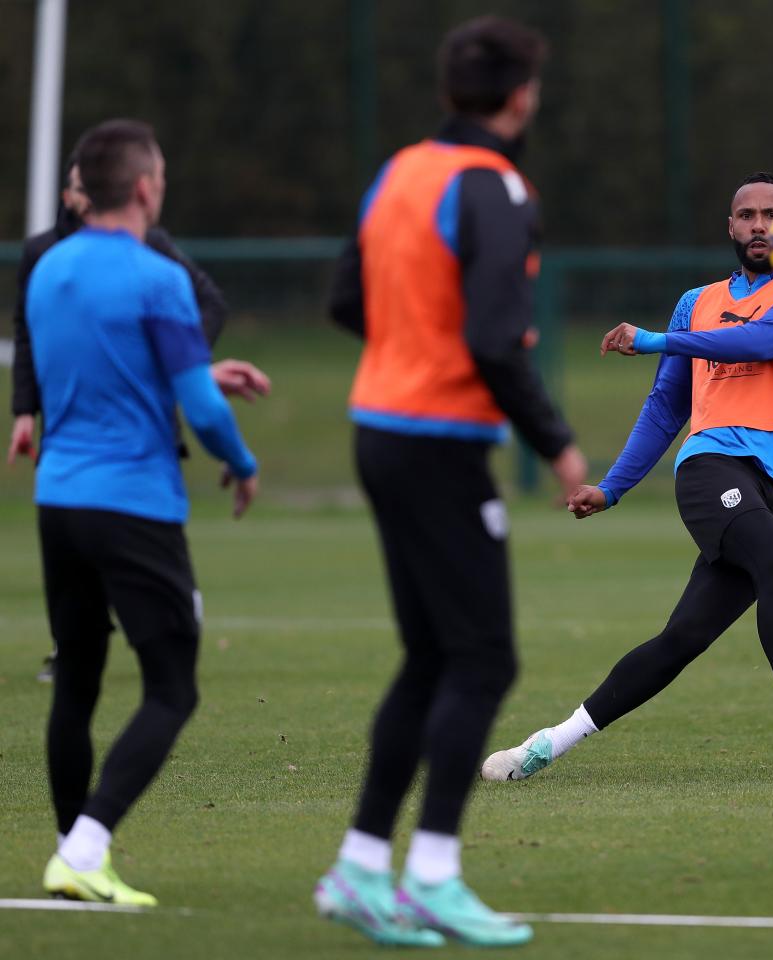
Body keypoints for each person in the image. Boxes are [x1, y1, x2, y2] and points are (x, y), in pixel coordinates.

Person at [316, 16, 586, 949]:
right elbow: (490, 340)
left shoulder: (401, 171)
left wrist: (408, 356)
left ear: (447, 92)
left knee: (433, 656)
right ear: (521, 96)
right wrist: (555, 441)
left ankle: (359, 868)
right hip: (436, 444)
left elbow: (346, 300)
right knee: (483, 658)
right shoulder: (497, 184)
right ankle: (431, 872)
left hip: (378, 429)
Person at [483, 172, 773, 788]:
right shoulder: (696, 302)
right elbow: (667, 406)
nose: (760, 224)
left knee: (682, 639)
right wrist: (613, 486)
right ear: (731, 227)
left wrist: (654, 340)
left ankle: (549, 743)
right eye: (746, 214)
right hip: (712, 467)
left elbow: (758, 342)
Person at [27, 118, 260, 906]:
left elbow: (108, 373)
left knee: (78, 685)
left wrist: (194, 373)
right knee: (172, 688)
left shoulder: (47, 269)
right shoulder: (157, 276)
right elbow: (198, 404)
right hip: (131, 503)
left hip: (58, 499)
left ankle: (73, 857)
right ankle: (87, 848)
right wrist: (241, 461)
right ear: (147, 186)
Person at [9, 157, 265, 682]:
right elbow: (34, 341)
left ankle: (139, 626)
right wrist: (23, 411)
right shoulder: (47, 258)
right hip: (83, 455)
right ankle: (82, 641)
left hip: (102, 460)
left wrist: (183, 366)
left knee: (86, 692)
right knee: (165, 692)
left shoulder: (151, 256)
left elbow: (206, 308)